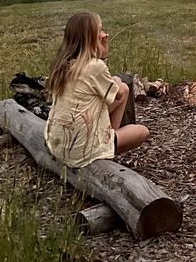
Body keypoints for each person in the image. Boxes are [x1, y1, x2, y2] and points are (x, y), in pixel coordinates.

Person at [45, 11, 150, 168]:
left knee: (121, 88)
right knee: (142, 131)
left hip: (56, 143)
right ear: (89, 38)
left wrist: (115, 81)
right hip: (80, 153)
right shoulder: (95, 66)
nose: (105, 35)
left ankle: (107, 139)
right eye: (100, 30)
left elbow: (109, 89)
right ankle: (106, 149)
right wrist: (110, 66)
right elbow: (118, 93)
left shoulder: (63, 64)